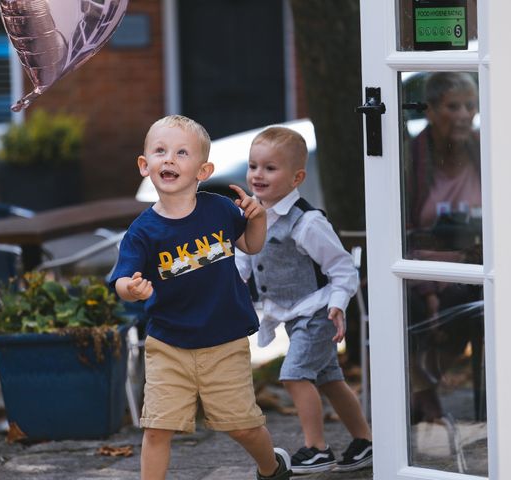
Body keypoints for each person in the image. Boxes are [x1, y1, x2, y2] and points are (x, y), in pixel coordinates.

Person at [110, 115, 292, 480]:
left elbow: (251, 246)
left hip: (224, 341)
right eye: (160, 151)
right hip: (168, 344)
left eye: (181, 152)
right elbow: (121, 282)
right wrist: (132, 288)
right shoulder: (142, 232)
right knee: (158, 428)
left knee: (241, 425)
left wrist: (257, 218)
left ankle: (272, 467)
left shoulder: (220, 210)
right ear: (145, 166)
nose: (170, 159)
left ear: (203, 170)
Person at [236, 126, 373, 474]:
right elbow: (243, 261)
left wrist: (338, 303)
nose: (258, 175)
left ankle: (317, 448)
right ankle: (365, 440)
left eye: (270, 168)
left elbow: (342, 268)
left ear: (297, 177)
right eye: (253, 166)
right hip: (290, 314)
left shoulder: (307, 222)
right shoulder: (251, 216)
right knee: (329, 379)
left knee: (294, 374)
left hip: (316, 310)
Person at [403, 72, 485, 424]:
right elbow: (400, 230)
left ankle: (424, 391)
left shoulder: (484, 152)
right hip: (416, 268)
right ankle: (426, 397)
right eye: (454, 106)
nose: (465, 114)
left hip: (469, 270)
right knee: (410, 306)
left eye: (471, 105)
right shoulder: (410, 159)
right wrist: (427, 287)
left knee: (467, 303)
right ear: (432, 110)